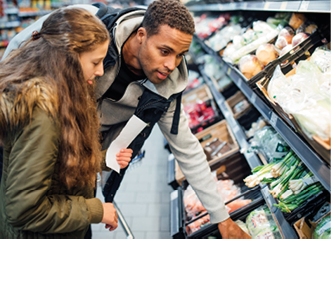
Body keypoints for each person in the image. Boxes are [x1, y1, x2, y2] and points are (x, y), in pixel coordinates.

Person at [4, 0, 250, 239]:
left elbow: (187, 149)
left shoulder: (166, 86)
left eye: (180, 55)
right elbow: (21, 48)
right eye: (164, 51)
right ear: (141, 35)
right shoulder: (88, 25)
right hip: (36, 143)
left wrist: (222, 218)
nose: (171, 65)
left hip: (80, 163)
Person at [0, 7, 133, 239]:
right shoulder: (41, 113)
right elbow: (23, 209)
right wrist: (95, 210)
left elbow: (55, 162)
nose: (101, 71)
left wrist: (100, 159)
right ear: (69, 59)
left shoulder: (63, 93)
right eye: (95, 62)